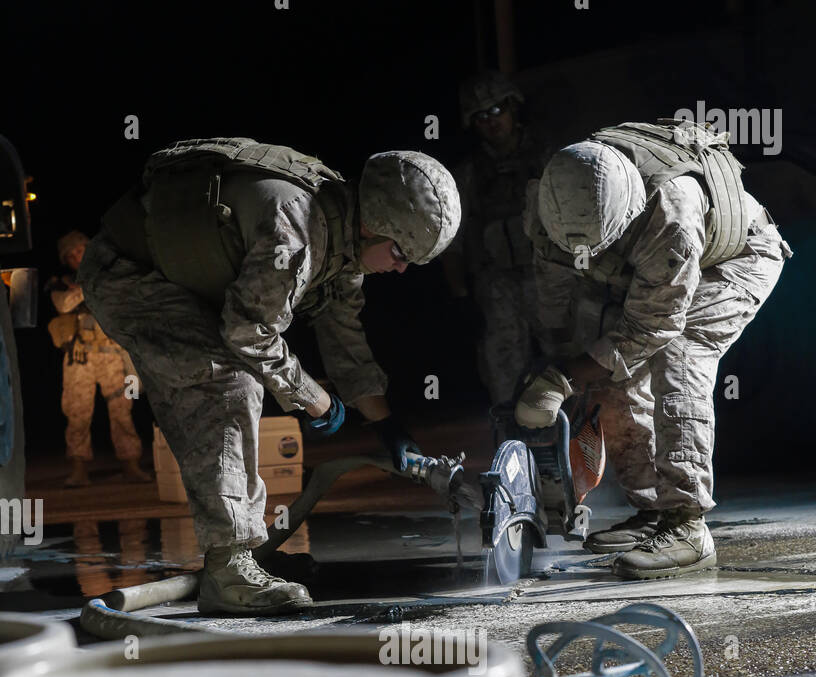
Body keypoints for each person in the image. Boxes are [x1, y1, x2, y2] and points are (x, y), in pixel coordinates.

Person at [78, 140, 460, 614]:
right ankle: (230, 570)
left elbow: (344, 338)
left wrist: (386, 426)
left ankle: (237, 560)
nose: (401, 268)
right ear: (373, 225)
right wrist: (315, 399)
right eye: (400, 253)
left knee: (239, 372)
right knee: (228, 382)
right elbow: (248, 333)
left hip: (180, 281)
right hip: (128, 275)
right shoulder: (297, 228)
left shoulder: (345, 242)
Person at [516, 120, 792, 577]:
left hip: (736, 259)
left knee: (679, 356)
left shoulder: (670, 210)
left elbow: (655, 326)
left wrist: (565, 378)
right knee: (606, 370)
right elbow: (555, 296)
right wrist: (559, 364)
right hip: (653, 270)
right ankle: (651, 510)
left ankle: (687, 526)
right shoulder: (552, 203)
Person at [443, 71, 544, 405]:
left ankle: (579, 447)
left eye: (497, 110)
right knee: (505, 380)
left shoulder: (547, 157)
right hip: (496, 286)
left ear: (513, 107)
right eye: (481, 116)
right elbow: (451, 241)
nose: (491, 121)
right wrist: (460, 296)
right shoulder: (468, 174)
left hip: (549, 279)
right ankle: (514, 449)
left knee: (569, 368)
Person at [46, 231, 146, 487]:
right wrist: (91, 286)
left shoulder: (111, 275)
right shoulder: (62, 281)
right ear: (65, 259)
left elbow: (126, 300)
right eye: (72, 254)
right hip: (79, 357)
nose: (77, 257)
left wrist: (94, 283)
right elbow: (63, 304)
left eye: (81, 250)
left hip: (113, 355)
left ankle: (131, 465)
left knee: (124, 410)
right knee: (77, 412)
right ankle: (78, 468)